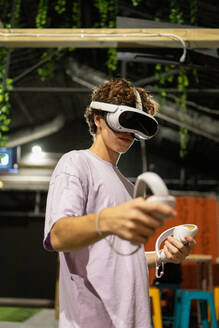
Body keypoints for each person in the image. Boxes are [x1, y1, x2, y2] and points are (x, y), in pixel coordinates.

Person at [44, 79, 196, 328]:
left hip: (132, 319)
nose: (129, 133)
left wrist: (163, 256)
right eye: (124, 121)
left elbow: (118, 259)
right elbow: (58, 235)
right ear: (98, 118)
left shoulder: (127, 186)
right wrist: (108, 220)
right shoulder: (76, 163)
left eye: (137, 126)